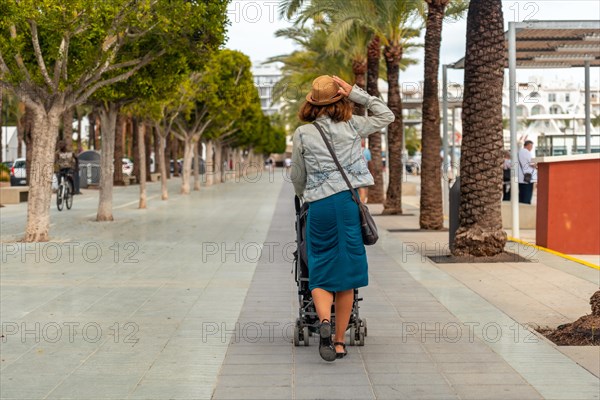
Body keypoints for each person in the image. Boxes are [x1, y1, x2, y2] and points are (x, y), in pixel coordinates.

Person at [290, 75, 394, 361]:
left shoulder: (303, 133)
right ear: (341, 100)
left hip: (319, 207)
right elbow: (387, 115)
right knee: (347, 275)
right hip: (347, 204)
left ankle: (323, 322)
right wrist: (357, 93)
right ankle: (338, 341)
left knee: (320, 266)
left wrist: (304, 195)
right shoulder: (353, 126)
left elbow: (296, 176)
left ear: (312, 103)